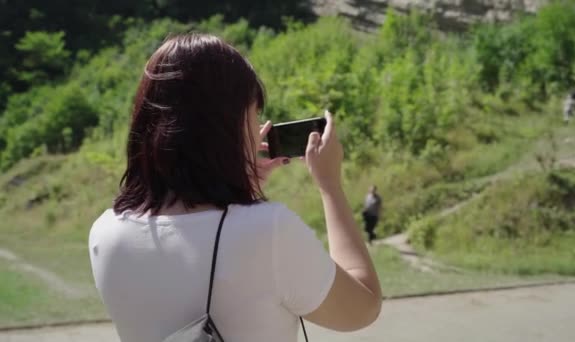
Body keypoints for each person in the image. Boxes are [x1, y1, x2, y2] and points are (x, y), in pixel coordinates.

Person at [88, 34, 381, 342]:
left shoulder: (105, 233)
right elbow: (363, 306)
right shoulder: (268, 231)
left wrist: (237, 190)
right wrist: (330, 186)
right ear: (228, 125)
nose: (258, 131)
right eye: (254, 116)